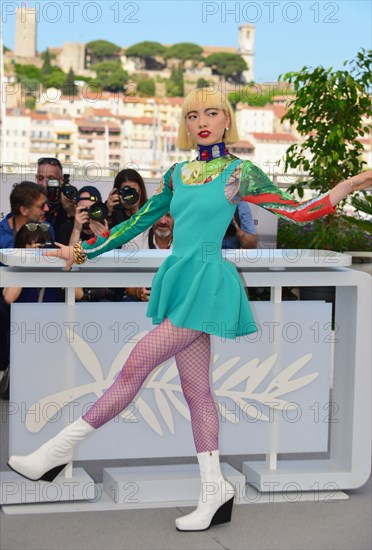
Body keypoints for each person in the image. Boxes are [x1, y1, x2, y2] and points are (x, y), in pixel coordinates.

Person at [8, 88, 372, 532]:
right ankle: (214, 486)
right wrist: (80, 253)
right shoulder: (178, 173)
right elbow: (136, 223)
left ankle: (55, 451)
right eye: (193, 114)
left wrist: (349, 185)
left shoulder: (240, 171)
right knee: (197, 392)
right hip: (180, 278)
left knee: (136, 364)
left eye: (212, 112)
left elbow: (298, 211)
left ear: (226, 121)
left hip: (207, 280)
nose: (202, 120)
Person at [57, 186, 124, 302]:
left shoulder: (111, 230)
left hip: (104, 294)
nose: (88, 214)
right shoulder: (67, 228)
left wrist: (104, 240)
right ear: (75, 209)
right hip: (75, 294)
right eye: (83, 210)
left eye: (92, 209)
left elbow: (113, 268)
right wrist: (76, 230)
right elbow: (67, 264)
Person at [124, 212, 174, 302]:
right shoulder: (135, 240)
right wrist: (138, 292)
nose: (163, 221)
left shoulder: (188, 242)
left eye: (169, 216)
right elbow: (127, 284)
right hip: (141, 300)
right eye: (158, 214)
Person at [0, 181, 54, 250]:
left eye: (47, 203)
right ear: (24, 210)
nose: (47, 209)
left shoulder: (47, 228)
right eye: (42, 206)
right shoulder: (1, 234)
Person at [36, 157, 76, 234]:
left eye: (50, 178)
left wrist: (72, 213)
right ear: (36, 179)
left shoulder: (70, 200)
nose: (44, 183)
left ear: (61, 180)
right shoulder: (29, 202)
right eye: (40, 178)